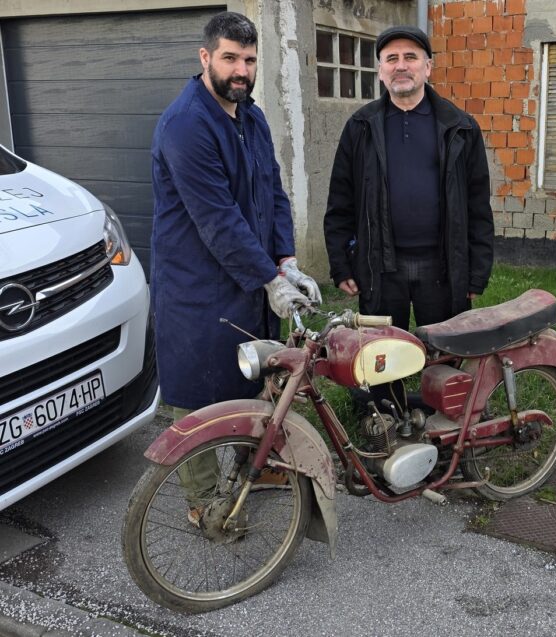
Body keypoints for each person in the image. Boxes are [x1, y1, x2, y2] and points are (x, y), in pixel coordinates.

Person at [150, 11, 320, 525]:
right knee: (199, 393)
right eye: (230, 58)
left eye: (249, 59)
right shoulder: (186, 125)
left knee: (259, 374)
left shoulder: (252, 116)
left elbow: (272, 191)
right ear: (205, 57)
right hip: (198, 286)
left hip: (248, 276)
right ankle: (203, 501)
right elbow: (218, 220)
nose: (241, 70)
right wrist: (269, 279)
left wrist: (286, 260)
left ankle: (255, 467)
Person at [324, 25, 494, 333]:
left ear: (427, 67)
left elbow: (478, 204)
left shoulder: (460, 127)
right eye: (391, 59)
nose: (400, 66)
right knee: (383, 352)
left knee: (445, 350)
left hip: (443, 266)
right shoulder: (360, 127)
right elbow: (340, 201)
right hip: (380, 267)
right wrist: (341, 264)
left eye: (410, 57)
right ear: (380, 71)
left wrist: (477, 270)